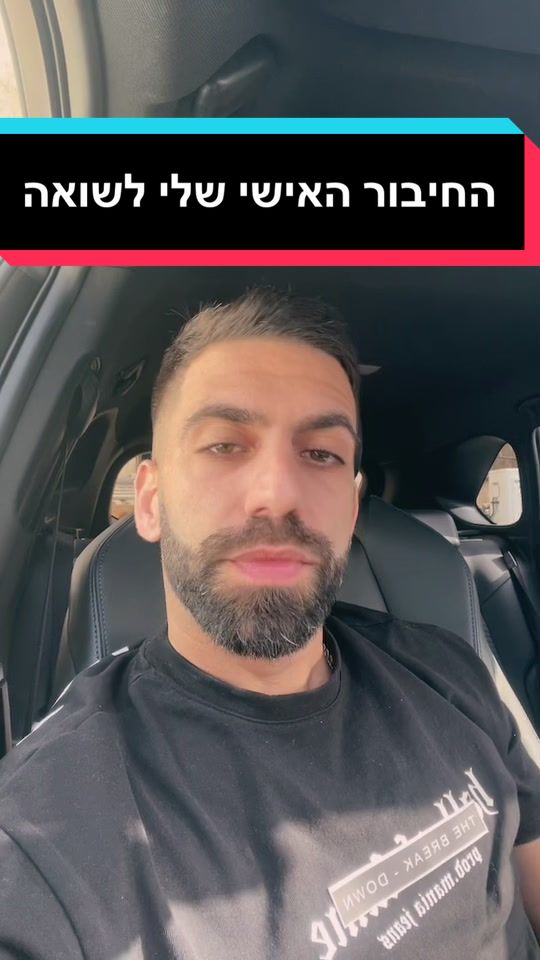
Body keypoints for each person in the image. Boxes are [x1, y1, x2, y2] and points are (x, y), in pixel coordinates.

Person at [0, 286, 538, 960]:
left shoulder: (450, 671)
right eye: (225, 445)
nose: (278, 494)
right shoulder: (51, 832)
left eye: (321, 454)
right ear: (151, 503)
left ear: (350, 510)